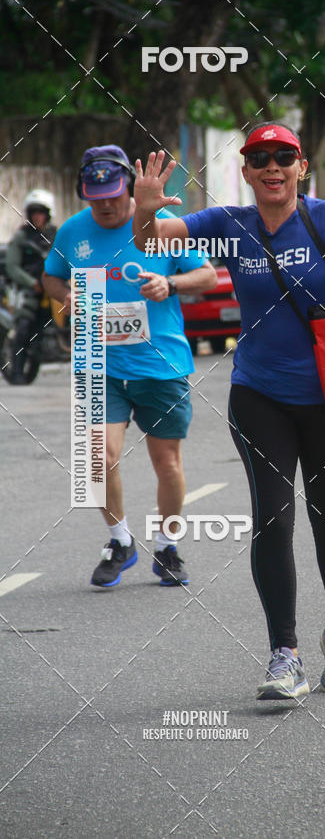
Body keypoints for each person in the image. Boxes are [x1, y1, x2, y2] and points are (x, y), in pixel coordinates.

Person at [132, 124, 325, 699]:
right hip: (258, 396)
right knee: (272, 519)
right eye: (259, 158)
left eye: (284, 157)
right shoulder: (228, 225)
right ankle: (284, 654)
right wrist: (144, 213)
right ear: (246, 171)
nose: (272, 166)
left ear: (301, 167)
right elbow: (151, 241)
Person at [43, 145, 217, 588]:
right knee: (98, 458)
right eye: (94, 196)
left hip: (160, 365)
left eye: (113, 195)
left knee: (168, 464)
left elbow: (208, 276)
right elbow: (51, 275)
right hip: (98, 364)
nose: (104, 204)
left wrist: (170, 282)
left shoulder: (161, 227)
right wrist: (65, 297)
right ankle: (120, 541)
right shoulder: (71, 232)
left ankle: (167, 547)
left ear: (130, 188)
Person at [5, 189, 57, 384]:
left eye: (41, 212)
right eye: (34, 212)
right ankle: (17, 372)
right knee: (24, 328)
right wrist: (31, 282)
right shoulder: (22, 237)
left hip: (53, 290)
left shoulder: (56, 234)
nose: (38, 217)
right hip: (29, 291)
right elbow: (12, 266)